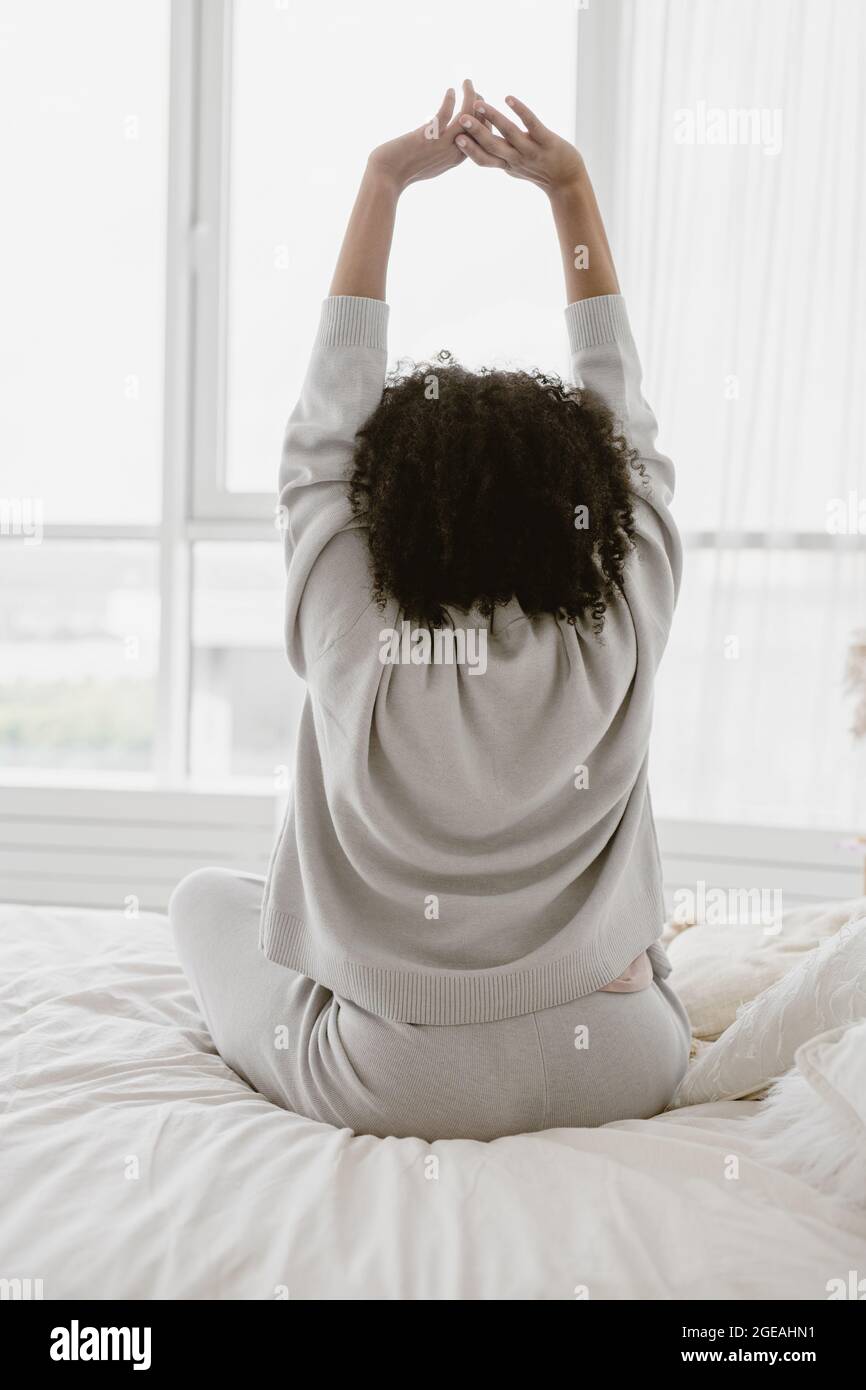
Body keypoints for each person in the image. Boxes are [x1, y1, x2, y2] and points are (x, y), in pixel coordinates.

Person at [170, 81, 691, 1141]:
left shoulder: (351, 627)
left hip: (401, 1077)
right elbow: (623, 418)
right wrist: (568, 194)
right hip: (623, 1058)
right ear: (583, 502)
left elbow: (318, 447)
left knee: (199, 902)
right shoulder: (621, 620)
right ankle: (614, 959)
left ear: (389, 505)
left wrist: (382, 185)